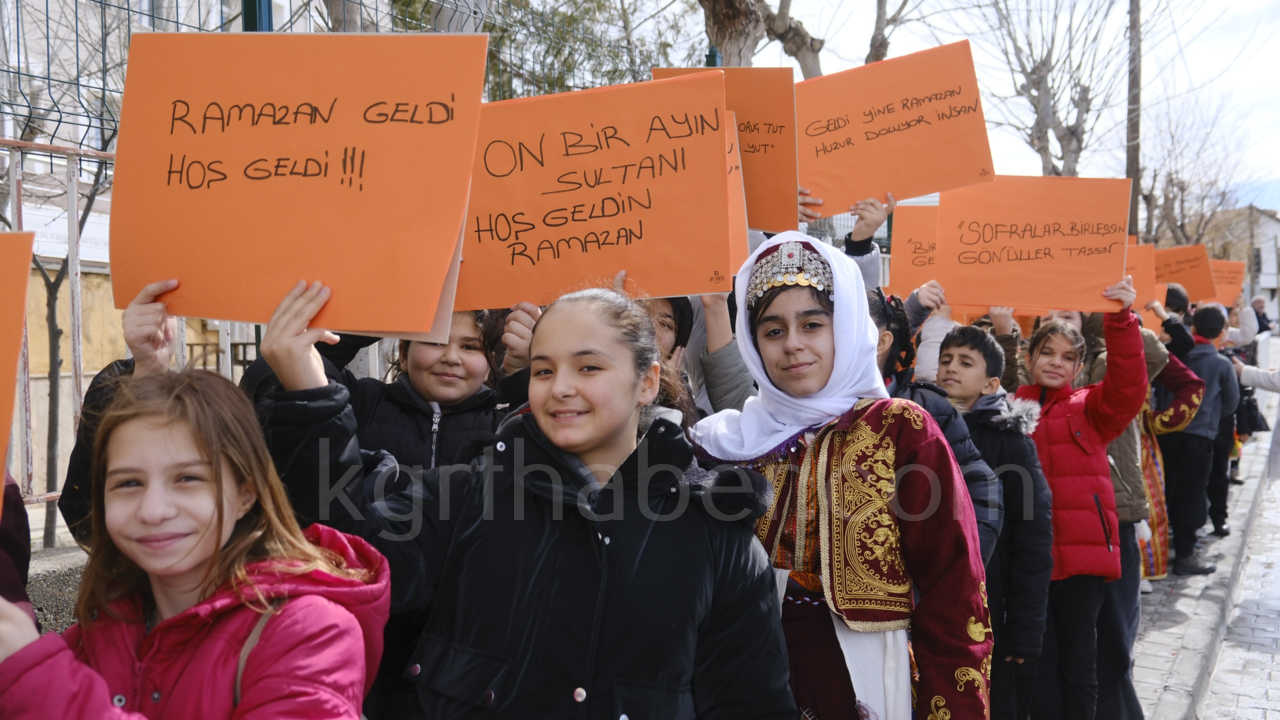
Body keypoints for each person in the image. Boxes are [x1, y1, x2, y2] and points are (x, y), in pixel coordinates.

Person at [256, 281, 797, 718]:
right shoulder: (469, 496)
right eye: (543, 370)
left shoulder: (714, 532)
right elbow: (343, 541)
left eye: (588, 367)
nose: (560, 387)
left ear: (648, 382)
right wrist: (306, 384)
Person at [691, 233, 991, 720]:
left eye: (812, 324)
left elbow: (954, 589)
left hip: (866, 677)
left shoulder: (901, 428)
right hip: (743, 678)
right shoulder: (721, 444)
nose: (793, 345)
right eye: (772, 331)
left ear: (848, 327)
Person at [0, 368, 390, 718]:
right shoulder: (107, 623)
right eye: (128, 483)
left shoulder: (313, 632)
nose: (153, 511)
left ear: (245, 494)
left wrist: (39, 682)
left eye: (188, 479)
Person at [1015, 276, 1148, 720]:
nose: (1056, 363)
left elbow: (1129, 385)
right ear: (1029, 358)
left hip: (1084, 562)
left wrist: (1121, 319)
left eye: (1068, 357)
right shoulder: (1010, 409)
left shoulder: (1092, 408)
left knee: (1080, 662)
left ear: (1080, 367)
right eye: (1047, 353)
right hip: (1029, 561)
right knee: (1038, 660)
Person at [937, 325, 1052, 720]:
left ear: (991, 384)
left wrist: (1024, 630)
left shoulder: (1010, 442)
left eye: (965, 362)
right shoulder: (919, 429)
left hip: (989, 604)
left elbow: (1032, 541)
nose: (951, 368)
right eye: (946, 359)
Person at [868, 286, 1004, 563]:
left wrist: (957, 566)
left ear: (884, 341)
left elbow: (979, 487)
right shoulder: (798, 407)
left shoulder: (927, 409)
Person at [1157, 306, 1239, 574]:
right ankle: (1185, 554)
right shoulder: (1221, 364)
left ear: (1193, 328)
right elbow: (1230, 404)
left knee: (1169, 488)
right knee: (1192, 494)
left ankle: (1166, 545)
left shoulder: (1176, 353)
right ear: (1221, 331)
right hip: (1200, 437)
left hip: (1167, 432)